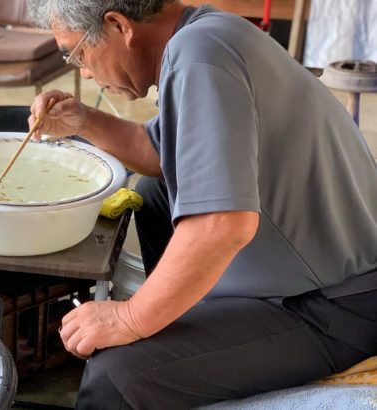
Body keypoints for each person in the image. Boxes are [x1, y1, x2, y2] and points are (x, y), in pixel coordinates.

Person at [25, 0, 377, 408]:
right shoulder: (207, 33)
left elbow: (223, 224)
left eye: (79, 52)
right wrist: (84, 120)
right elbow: (160, 153)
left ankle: (162, 349)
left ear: (119, 25)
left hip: (333, 308)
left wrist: (128, 319)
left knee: (119, 377)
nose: (83, 70)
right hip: (322, 270)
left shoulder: (201, 56)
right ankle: (180, 330)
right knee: (156, 195)